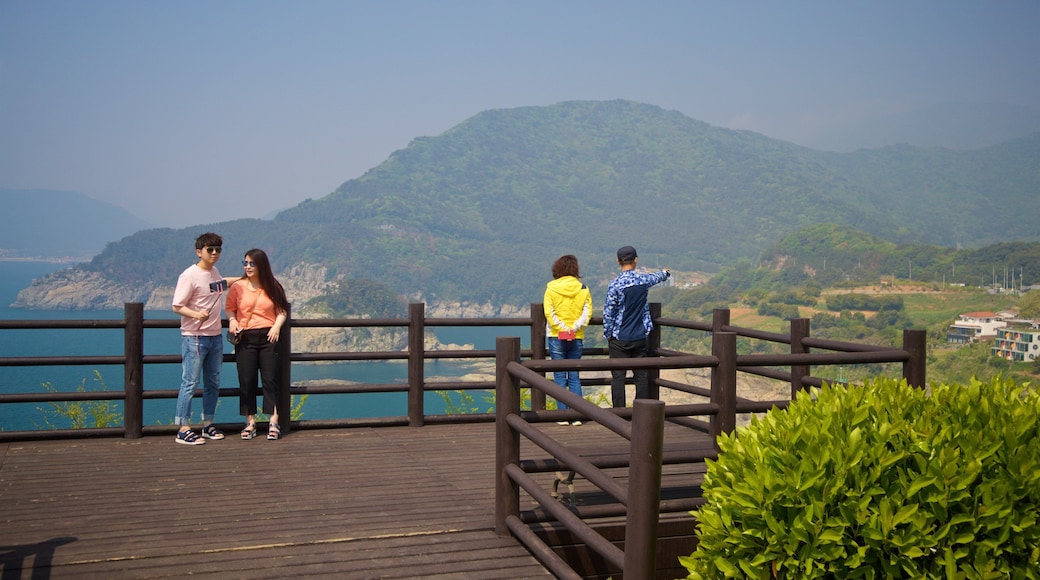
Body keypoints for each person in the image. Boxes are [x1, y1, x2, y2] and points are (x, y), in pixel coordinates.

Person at [171, 232, 239, 445]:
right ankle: (183, 428)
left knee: (213, 382)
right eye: (210, 249)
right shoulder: (189, 275)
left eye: (218, 249)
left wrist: (249, 278)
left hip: (215, 336)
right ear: (199, 251)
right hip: (195, 337)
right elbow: (176, 305)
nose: (214, 253)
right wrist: (195, 315)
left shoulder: (215, 272)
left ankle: (207, 423)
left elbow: (221, 284)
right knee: (190, 382)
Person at [226, 248, 290, 441]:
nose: (248, 266)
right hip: (246, 338)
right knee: (246, 380)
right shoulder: (237, 287)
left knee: (271, 380)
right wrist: (232, 321)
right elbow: (229, 310)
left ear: (262, 265)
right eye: (245, 263)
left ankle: (273, 421)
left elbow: (282, 311)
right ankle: (250, 422)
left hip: (269, 337)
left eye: (252, 263)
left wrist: (277, 327)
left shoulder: (272, 286)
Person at [602, 245, 670, 408]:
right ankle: (642, 412)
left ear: (618, 261)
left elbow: (609, 312)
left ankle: (620, 413)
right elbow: (657, 277)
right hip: (640, 335)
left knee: (618, 377)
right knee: (641, 376)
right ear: (636, 260)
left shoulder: (615, 285)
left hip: (620, 337)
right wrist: (666, 272)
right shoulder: (642, 280)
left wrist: (609, 334)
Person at [543, 254, 593, 425]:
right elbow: (587, 313)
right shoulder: (583, 289)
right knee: (574, 375)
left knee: (559, 376)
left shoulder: (551, 288)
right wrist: (574, 327)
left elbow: (549, 313)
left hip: (556, 336)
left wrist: (562, 328)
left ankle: (562, 416)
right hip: (576, 336)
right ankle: (577, 415)